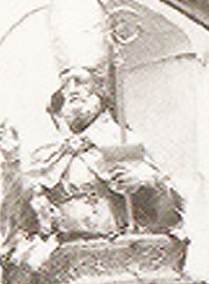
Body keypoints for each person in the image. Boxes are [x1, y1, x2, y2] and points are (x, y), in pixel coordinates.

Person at [16, 66, 183, 252]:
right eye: (65, 86)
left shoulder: (121, 141)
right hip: (64, 252)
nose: (72, 89)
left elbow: (167, 213)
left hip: (115, 250)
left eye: (80, 82)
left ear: (99, 93)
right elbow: (22, 221)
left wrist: (149, 183)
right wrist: (12, 164)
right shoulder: (47, 152)